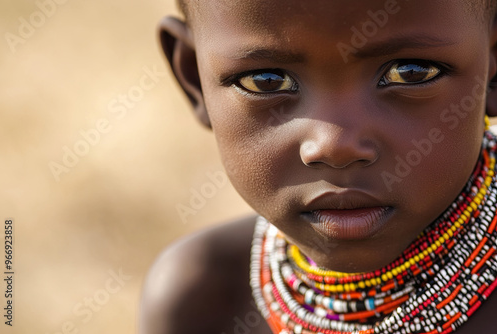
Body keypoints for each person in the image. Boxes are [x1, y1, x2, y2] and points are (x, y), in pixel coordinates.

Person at [140, 1, 497, 333]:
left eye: (410, 73)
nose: (334, 145)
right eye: (267, 80)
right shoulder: (202, 299)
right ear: (194, 77)